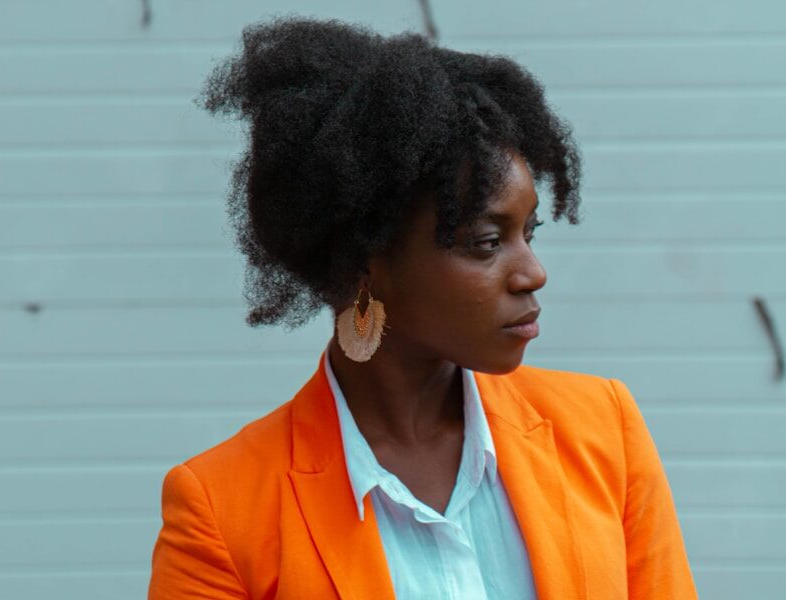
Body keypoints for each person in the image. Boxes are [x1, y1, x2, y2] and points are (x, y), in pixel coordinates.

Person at [148, 16, 698, 600]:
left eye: (528, 233)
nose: (533, 272)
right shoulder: (222, 511)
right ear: (365, 259)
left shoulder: (603, 432)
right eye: (486, 242)